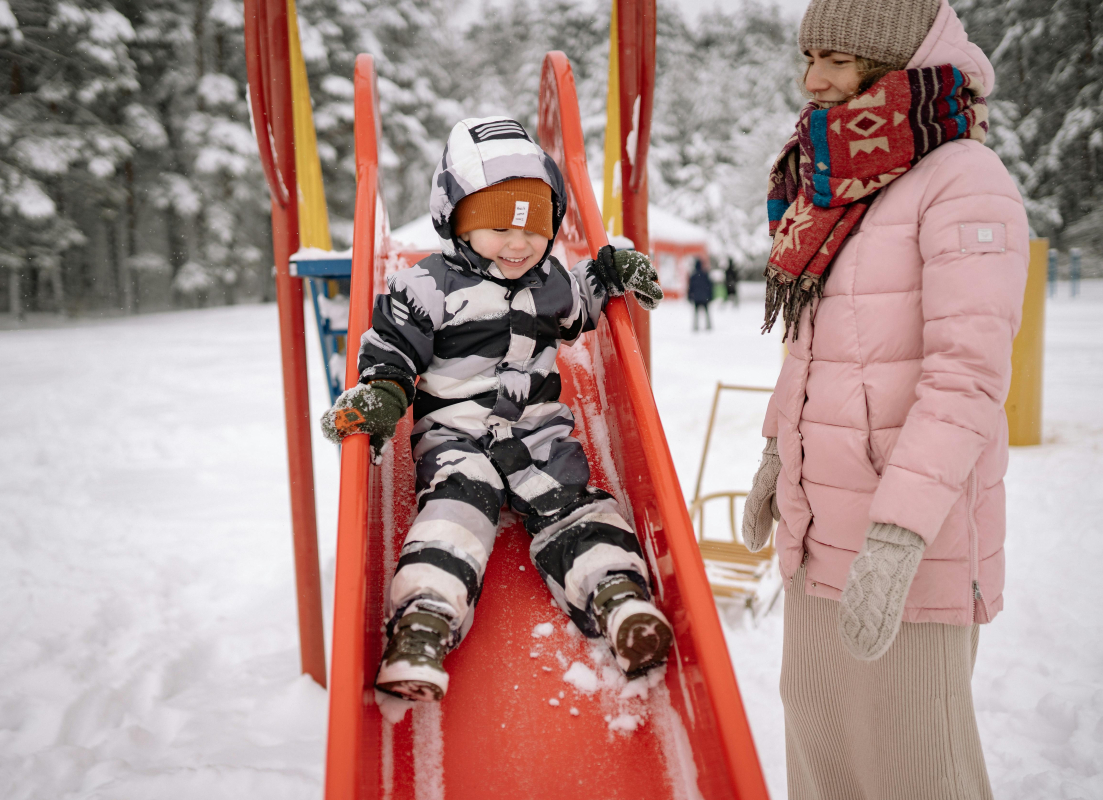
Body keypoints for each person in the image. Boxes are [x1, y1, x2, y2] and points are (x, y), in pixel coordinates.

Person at [742, 1, 1027, 797]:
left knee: (912, 759)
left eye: (836, 58)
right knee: (822, 744)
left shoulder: (965, 179)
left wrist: (898, 536)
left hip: (908, 544)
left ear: (896, 59)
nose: (813, 79)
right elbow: (816, 344)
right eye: (810, 57)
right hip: (818, 528)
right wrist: (776, 451)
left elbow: (964, 377)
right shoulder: (840, 179)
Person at [321, 117, 673, 702]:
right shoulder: (426, 287)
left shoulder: (550, 282)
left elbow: (581, 304)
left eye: (535, 226)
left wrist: (609, 272)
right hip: (456, 437)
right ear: (453, 219)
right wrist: (383, 394)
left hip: (536, 435)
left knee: (577, 508)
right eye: (496, 225)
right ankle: (424, 622)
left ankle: (618, 598)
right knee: (456, 510)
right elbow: (392, 348)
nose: (519, 243)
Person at [687, 258, 713, 331]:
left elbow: (690, 287)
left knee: (696, 313)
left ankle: (696, 326)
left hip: (696, 298)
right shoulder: (705, 274)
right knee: (707, 313)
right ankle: (708, 326)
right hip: (705, 298)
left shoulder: (693, 276)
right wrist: (711, 296)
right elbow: (710, 286)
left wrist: (689, 297)